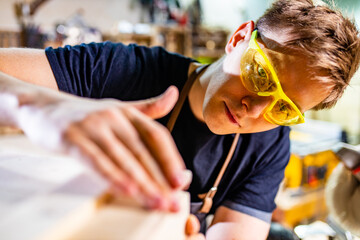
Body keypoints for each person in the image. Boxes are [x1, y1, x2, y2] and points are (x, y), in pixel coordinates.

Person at [0, 0, 359, 239]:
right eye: (261, 75)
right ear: (237, 40)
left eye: (282, 108)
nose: (255, 109)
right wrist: (34, 104)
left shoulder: (268, 144)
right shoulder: (119, 72)